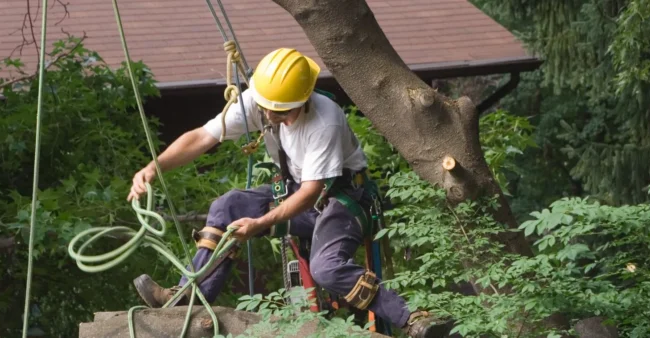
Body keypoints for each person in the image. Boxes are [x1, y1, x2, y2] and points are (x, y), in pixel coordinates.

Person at [126, 48, 450, 338]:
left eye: (281, 112)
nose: (270, 117)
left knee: (326, 267)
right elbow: (202, 137)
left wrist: (259, 222)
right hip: (299, 191)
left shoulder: (325, 122)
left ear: (304, 100)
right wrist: (155, 167)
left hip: (345, 199)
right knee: (228, 206)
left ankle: (412, 319)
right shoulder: (262, 99)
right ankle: (187, 298)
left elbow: (311, 193)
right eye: (266, 108)